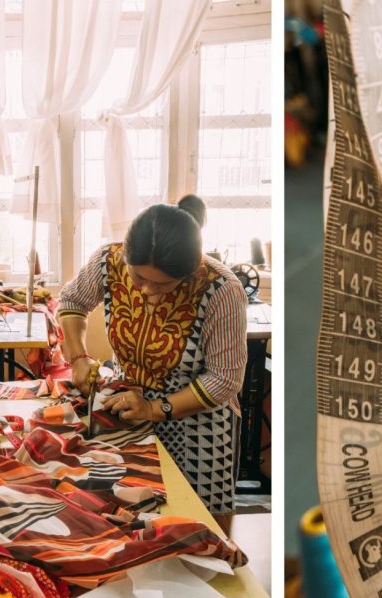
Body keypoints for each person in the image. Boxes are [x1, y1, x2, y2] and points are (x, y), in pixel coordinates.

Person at [59, 196, 247, 533]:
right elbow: (72, 301)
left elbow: (223, 379)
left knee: (196, 529)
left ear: (190, 272)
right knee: (128, 516)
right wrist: (78, 357)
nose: (148, 292)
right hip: (128, 410)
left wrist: (155, 408)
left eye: (163, 284)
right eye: (138, 277)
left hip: (200, 427)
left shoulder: (221, 290)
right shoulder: (108, 261)